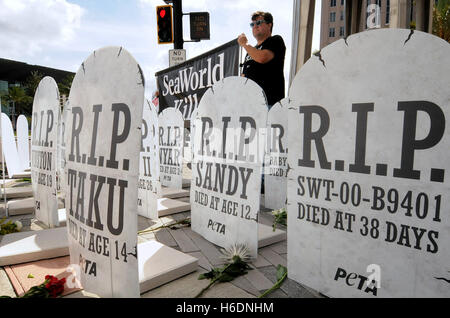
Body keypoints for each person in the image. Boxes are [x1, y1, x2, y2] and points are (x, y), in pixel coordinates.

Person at [238, 11, 286, 109]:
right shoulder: (251, 51)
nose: (255, 26)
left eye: (259, 23)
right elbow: (244, 76)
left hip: (269, 103)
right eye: (252, 24)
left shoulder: (276, 40)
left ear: (269, 25)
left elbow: (262, 58)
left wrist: (244, 44)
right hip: (251, 105)